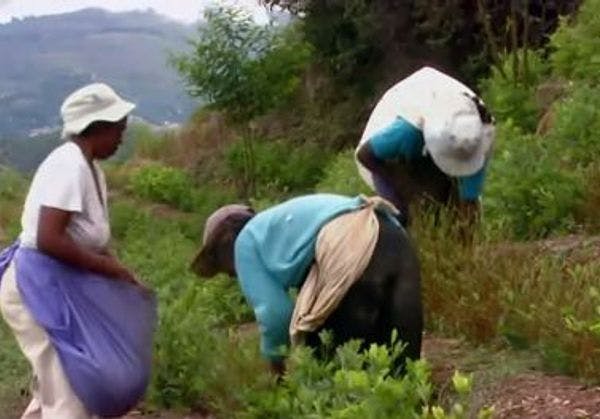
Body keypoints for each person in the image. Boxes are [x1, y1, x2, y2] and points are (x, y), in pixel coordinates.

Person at [0, 83, 156, 418]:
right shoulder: (69, 165)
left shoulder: (90, 169)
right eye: (118, 130)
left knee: (58, 384)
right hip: (36, 288)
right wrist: (111, 271)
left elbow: (92, 240)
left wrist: (122, 273)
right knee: (71, 391)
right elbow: (49, 239)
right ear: (96, 128)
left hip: (54, 285)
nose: (121, 138)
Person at [191, 194, 422, 377]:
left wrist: (276, 368)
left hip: (351, 246)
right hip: (396, 238)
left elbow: (276, 315)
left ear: (224, 246)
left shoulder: (244, 242)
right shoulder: (283, 227)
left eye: (222, 266)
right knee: (401, 366)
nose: (231, 275)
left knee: (326, 355)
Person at [355, 66, 495, 228]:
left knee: (456, 211)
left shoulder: (477, 138)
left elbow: (469, 201)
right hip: (386, 158)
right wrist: (408, 194)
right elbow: (365, 155)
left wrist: (466, 238)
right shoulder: (407, 131)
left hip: (431, 141)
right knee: (406, 216)